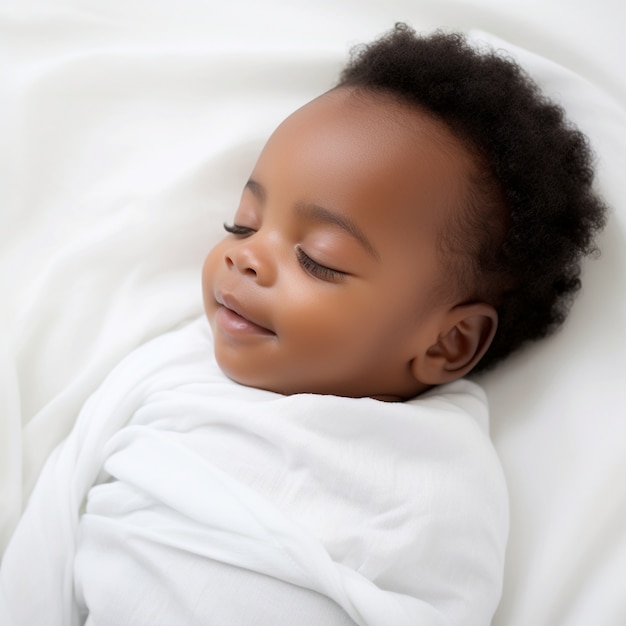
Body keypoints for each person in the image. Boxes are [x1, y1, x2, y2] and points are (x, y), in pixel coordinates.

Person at [0, 25, 607, 626]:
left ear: (450, 342)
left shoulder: (438, 486)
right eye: (243, 224)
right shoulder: (173, 370)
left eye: (318, 258)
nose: (244, 255)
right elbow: (54, 523)